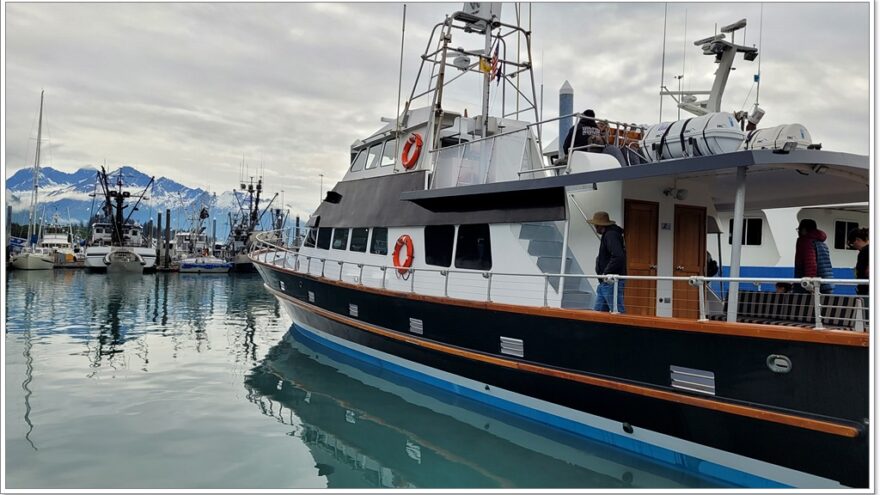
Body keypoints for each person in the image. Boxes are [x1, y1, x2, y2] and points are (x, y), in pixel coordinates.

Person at [587, 211, 626, 313]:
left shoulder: (610, 235)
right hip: (605, 281)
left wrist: (605, 272)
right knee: (599, 312)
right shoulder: (611, 234)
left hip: (610, 281)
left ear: (599, 225)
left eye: (596, 225)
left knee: (617, 312)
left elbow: (618, 256)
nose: (595, 228)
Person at [793, 219, 833, 293]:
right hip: (826, 283)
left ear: (803, 230)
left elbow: (811, 264)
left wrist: (810, 285)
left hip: (812, 287)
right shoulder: (822, 243)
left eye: (799, 229)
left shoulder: (806, 242)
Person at [848, 227, 869, 296]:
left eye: (852, 244)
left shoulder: (864, 251)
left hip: (866, 290)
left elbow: (864, 273)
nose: (854, 247)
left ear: (857, 240)